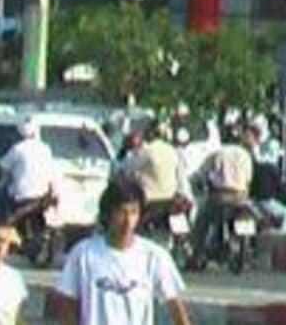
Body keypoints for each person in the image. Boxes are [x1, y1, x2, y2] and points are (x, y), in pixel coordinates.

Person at [48, 178, 191, 325]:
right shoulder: (83, 254)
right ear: (108, 214)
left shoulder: (154, 256)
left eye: (133, 212)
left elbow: (176, 308)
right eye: (121, 212)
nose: (128, 221)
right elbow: (67, 303)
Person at [191, 125, 253, 258]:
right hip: (241, 198)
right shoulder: (245, 155)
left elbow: (204, 174)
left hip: (220, 197)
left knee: (201, 221)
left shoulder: (217, 154)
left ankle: (197, 252)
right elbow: (248, 179)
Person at [0, 123, 60, 238]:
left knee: (7, 218)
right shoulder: (45, 149)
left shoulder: (17, 149)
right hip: (42, 196)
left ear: (20, 135)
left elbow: (2, 168)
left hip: (21, 196)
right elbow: (52, 173)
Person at [120, 129, 186, 237]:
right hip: (171, 199)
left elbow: (127, 167)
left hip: (150, 200)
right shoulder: (172, 150)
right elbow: (180, 176)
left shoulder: (149, 151)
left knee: (132, 222)